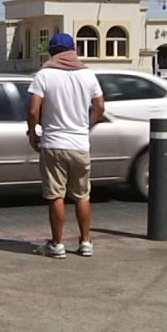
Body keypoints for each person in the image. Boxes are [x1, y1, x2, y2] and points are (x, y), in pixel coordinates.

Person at [26, 33, 104, 259]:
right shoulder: (87, 75)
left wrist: (33, 133)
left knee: (55, 195)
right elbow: (99, 105)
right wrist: (86, 125)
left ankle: (57, 244)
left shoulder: (44, 75)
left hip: (53, 143)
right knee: (82, 195)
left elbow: (33, 109)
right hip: (80, 143)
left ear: (51, 52)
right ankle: (86, 241)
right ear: (74, 50)